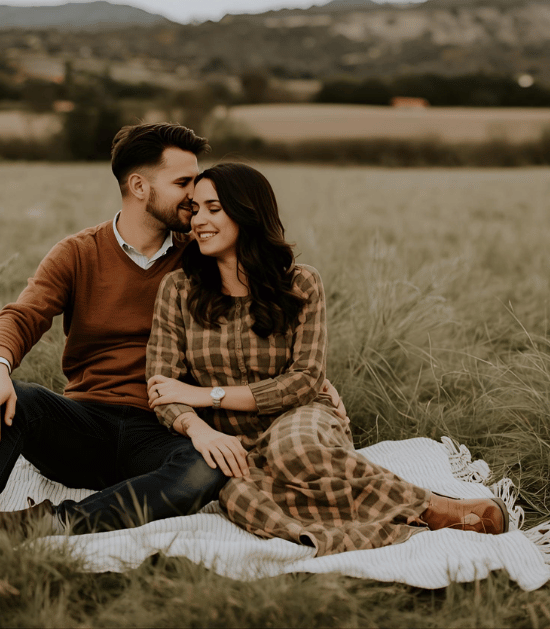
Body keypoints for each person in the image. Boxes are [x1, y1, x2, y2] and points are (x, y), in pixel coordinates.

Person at [0, 124, 345, 568]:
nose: (196, 197)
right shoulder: (78, 253)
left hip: (163, 428)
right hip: (85, 423)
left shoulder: (203, 253)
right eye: (184, 183)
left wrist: (316, 385)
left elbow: (268, 305)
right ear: (139, 186)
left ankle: (33, 527)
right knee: (19, 399)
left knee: (205, 467)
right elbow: (22, 315)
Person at [145, 163, 509, 556]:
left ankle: (432, 508)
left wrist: (207, 396)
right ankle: (407, 534)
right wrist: (199, 428)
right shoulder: (179, 289)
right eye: (195, 209)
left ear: (246, 211)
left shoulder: (301, 283)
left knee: (294, 449)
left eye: (213, 208)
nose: (199, 220)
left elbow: (303, 380)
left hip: (302, 419)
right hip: (233, 438)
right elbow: (163, 386)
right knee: (242, 500)